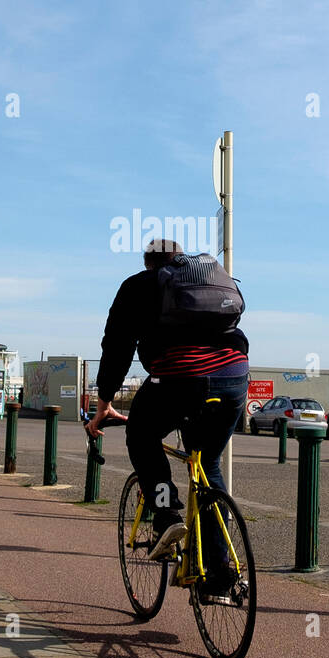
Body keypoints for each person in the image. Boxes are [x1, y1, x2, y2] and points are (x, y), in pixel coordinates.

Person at [86, 239, 248, 591]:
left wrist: (104, 400)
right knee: (208, 463)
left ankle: (166, 513)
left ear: (149, 264)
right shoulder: (213, 278)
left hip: (179, 378)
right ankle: (220, 574)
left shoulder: (140, 285)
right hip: (234, 377)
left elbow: (116, 345)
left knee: (142, 436)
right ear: (181, 260)